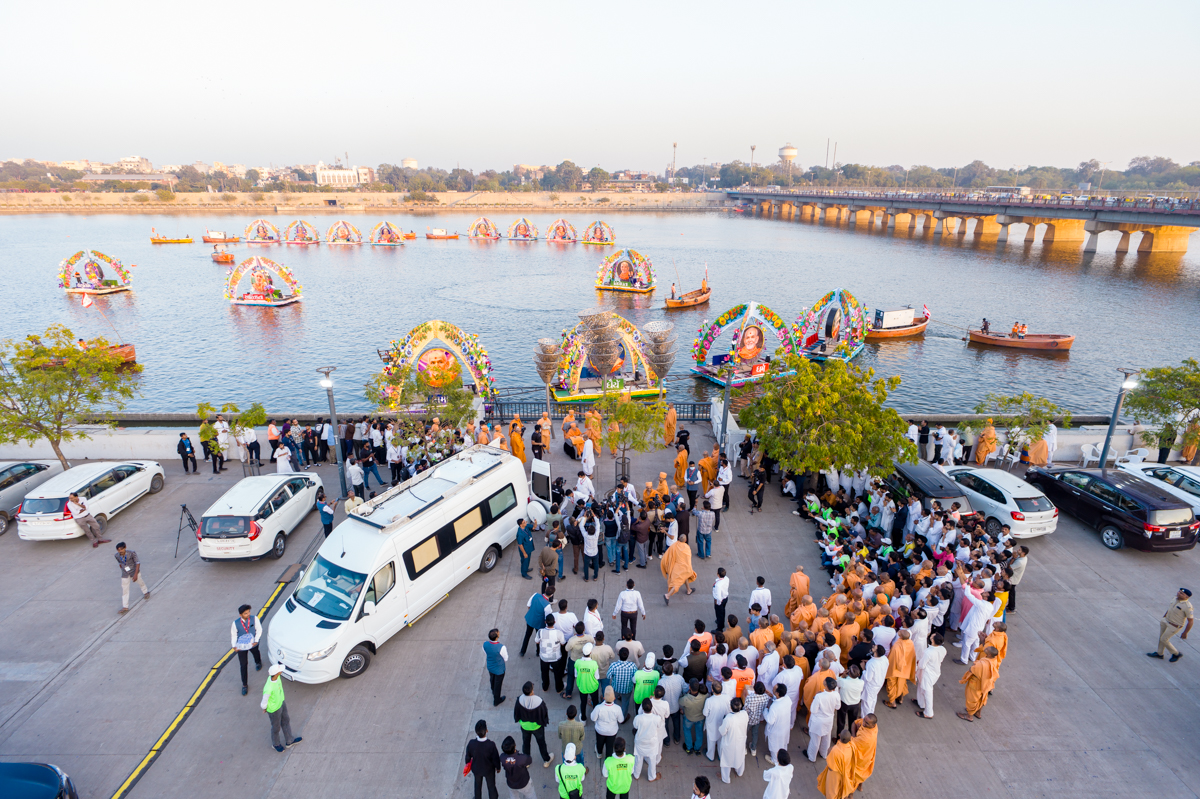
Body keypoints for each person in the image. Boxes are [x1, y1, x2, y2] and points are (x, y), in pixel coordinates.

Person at [262, 663, 302, 753]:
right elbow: (264, 701)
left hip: (281, 703)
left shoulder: (277, 678)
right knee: (276, 727)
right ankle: (276, 744)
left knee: (286, 720)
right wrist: (265, 708)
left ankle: (289, 740)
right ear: (276, 673)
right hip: (274, 709)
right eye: (280, 670)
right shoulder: (269, 688)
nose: (281, 671)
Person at [957, 645, 1001, 722]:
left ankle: (969, 716)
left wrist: (973, 667)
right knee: (981, 698)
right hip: (986, 684)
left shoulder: (983, 664)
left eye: (987, 649)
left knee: (972, 699)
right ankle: (978, 712)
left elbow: (972, 670)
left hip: (976, 683)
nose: (985, 648)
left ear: (989, 654)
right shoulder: (993, 660)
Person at [1148, 587, 1193, 662]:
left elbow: (1190, 621)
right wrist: (1164, 617)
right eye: (1179, 592)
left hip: (1174, 626)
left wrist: (1185, 632)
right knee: (1161, 638)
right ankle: (1160, 653)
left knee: (1164, 639)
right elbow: (1170, 608)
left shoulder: (1187, 607)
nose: (1179, 593)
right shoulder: (1175, 598)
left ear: (1186, 597)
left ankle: (1176, 653)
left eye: (1182, 593)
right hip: (1166, 621)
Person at [514, 682, 552, 767]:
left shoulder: (519, 700)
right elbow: (544, 714)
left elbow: (517, 713)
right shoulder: (538, 701)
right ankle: (546, 760)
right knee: (541, 743)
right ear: (531, 691)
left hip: (525, 727)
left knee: (526, 743)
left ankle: (526, 761)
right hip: (537, 727)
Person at [230, 604, 263, 696]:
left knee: (256, 653)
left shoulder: (254, 619)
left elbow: (259, 630)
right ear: (240, 615)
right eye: (245, 613)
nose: (248, 614)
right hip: (241, 645)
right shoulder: (235, 623)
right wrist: (234, 646)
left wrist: (256, 640)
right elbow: (234, 635)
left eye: (248, 612)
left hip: (252, 643)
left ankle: (258, 662)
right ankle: (244, 685)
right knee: (243, 665)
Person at [806, 677, 840, 762]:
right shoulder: (836, 694)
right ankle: (824, 753)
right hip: (829, 720)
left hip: (818, 721)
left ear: (826, 685)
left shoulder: (819, 697)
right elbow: (838, 707)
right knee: (826, 737)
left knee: (815, 739)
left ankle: (812, 757)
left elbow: (813, 710)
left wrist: (815, 698)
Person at [914, 632, 946, 718]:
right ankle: (921, 703)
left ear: (933, 641)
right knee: (921, 687)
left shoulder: (928, 652)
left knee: (927, 691)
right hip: (935, 672)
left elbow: (921, 665)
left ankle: (928, 713)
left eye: (931, 637)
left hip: (927, 674)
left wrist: (918, 663)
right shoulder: (943, 649)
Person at [467, 720, 501, 799]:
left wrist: (468, 763)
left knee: (477, 786)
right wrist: (498, 767)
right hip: (489, 770)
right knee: (491, 786)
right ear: (486, 731)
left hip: (476, 769)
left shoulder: (471, 743)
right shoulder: (491, 745)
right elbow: (495, 758)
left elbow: (468, 756)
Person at [631, 699, 664, 782]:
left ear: (642, 708)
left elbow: (635, 726)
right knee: (652, 760)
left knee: (638, 758)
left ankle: (636, 774)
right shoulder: (657, 718)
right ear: (652, 707)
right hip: (652, 743)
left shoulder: (638, 718)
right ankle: (651, 776)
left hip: (640, 741)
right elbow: (659, 726)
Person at [717, 696, 748, 783]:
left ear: (730, 708)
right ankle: (740, 772)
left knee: (726, 762)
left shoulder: (728, 719)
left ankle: (725, 778)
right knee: (740, 757)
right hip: (740, 741)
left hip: (729, 743)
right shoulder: (744, 714)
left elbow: (722, 732)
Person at [816, 730, 855, 799]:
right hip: (846, 772)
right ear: (850, 739)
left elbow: (831, 766)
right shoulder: (852, 746)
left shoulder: (835, 750)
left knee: (832, 792)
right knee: (841, 790)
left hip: (835, 775)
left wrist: (830, 751)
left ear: (839, 736)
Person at [536, 614, 567, 694]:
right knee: (558, 673)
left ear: (545, 622)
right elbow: (563, 643)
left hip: (544, 657)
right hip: (555, 657)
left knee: (544, 672)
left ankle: (545, 687)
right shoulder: (559, 633)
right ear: (554, 622)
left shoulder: (540, 632)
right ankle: (559, 688)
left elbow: (537, 641)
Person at [114, 542, 149, 614]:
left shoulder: (132, 553)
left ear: (125, 548)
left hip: (134, 571)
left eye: (121, 549)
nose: (120, 551)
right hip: (125, 574)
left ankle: (145, 592)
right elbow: (120, 563)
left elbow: (137, 563)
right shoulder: (117, 556)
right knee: (125, 590)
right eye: (118, 550)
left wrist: (135, 574)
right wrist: (123, 569)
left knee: (140, 582)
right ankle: (125, 606)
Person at [591, 686, 624, 760]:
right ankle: (608, 760)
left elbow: (593, 718)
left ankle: (599, 753)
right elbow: (621, 720)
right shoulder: (617, 708)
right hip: (612, 731)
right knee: (610, 746)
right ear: (614, 698)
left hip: (600, 730)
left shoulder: (598, 708)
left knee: (599, 743)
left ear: (604, 698)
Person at [662, 536, 697, 604]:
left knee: (685, 577)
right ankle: (667, 595)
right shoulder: (687, 548)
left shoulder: (674, 545)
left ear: (678, 539)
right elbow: (688, 559)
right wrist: (689, 568)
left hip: (676, 567)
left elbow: (669, 555)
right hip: (683, 568)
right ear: (686, 540)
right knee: (677, 583)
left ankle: (688, 590)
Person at [763, 683, 793, 762]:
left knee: (774, 747)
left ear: (777, 693)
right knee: (783, 744)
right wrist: (772, 696)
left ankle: (774, 760)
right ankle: (782, 754)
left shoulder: (774, 707)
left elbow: (770, 720)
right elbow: (779, 701)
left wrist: (766, 710)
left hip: (776, 731)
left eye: (774, 688)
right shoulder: (787, 699)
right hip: (784, 727)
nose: (772, 688)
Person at [521, 587, 553, 657]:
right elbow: (547, 618)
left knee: (527, 635)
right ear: (551, 595)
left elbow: (528, 605)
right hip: (539, 623)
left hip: (530, 619)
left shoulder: (535, 595)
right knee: (539, 638)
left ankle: (522, 651)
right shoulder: (547, 605)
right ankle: (538, 652)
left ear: (545, 590)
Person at [575, 642, 601, 719]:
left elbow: (576, 675)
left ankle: (583, 718)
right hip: (593, 687)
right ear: (590, 652)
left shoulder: (578, 662)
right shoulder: (594, 663)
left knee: (583, 702)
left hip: (582, 686)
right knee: (595, 702)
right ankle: (596, 717)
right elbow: (597, 676)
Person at [484, 628, 508, 706]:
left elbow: (485, 652)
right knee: (498, 684)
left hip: (490, 666)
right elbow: (506, 658)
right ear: (497, 636)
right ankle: (496, 700)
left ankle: (493, 690)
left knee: (492, 679)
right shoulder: (501, 647)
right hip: (499, 669)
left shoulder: (485, 644)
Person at [558, 704, 585, 769]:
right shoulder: (580, 725)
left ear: (566, 713)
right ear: (576, 715)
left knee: (566, 764)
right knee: (580, 762)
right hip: (577, 749)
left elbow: (560, 736)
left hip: (565, 749)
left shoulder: (561, 725)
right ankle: (581, 771)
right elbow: (582, 738)